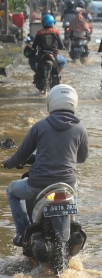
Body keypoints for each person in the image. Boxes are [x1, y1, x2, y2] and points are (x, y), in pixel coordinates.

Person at [1, 84, 88, 247]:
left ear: (51, 102)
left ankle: (23, 234)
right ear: (73, 103)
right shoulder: (80, 128)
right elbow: (82, 158)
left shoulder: (40, 126)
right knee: (75, 186)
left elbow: (21, 156)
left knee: (12, 190)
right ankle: (72, 222)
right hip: (67, 183)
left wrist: (8, 163)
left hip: (38, 184)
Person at [30, 15, 67, 79]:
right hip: (54, 55)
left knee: (31, 60)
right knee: (63, 61)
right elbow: (61, 46)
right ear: (52, 22)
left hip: (41, 55)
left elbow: (34, 46)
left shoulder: (39, 33)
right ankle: (57, 74)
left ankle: (37, 73)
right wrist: (61, 47)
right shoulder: (56, 32)